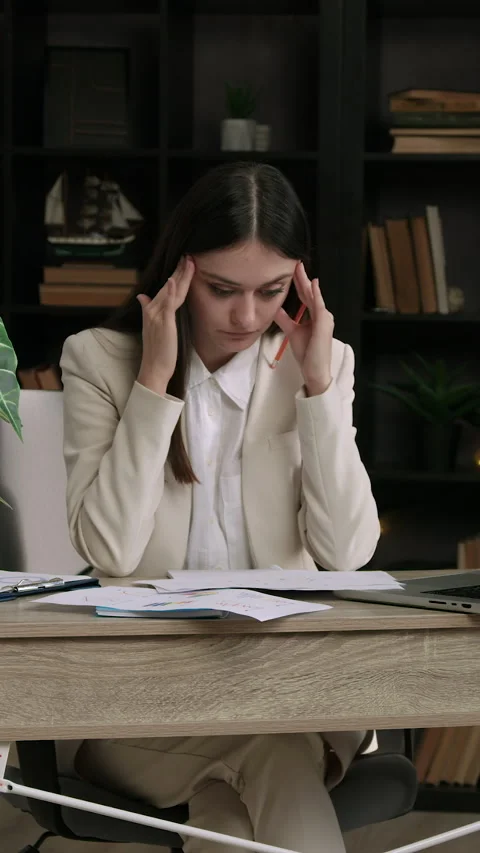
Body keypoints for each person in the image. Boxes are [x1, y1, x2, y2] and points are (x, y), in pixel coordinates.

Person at [59, 161, 381, 853]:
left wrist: (318, 389)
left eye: (270, 292)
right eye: (222, 289)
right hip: (141, 709)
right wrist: (153, 379)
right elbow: (111, 551)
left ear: (298, 284)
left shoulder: (322, 365)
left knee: (230, 804)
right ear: (180, 273)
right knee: (270, 755)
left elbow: (348, 551)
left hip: (288, 688)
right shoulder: (98, 361)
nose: (246, 315)